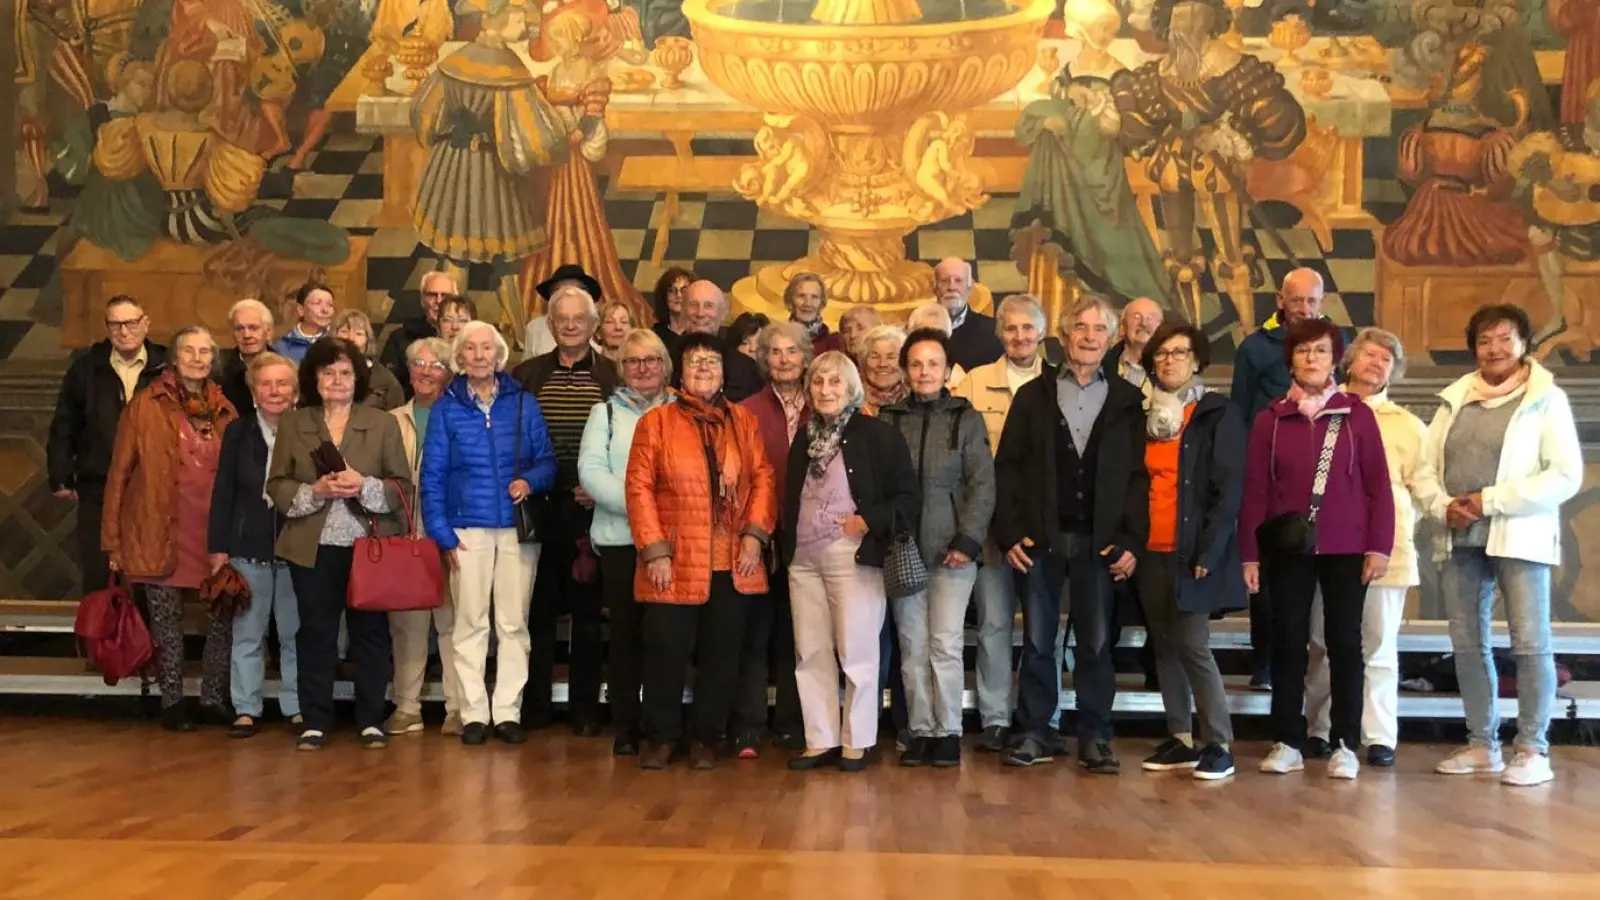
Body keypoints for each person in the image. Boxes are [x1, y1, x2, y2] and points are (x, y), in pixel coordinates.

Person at [1414, 305, 1582, 787]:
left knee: (1530, 645)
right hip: (1461, 537)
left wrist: (1491, 501)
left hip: (1521, 537)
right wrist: (1441, 504)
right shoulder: (1454, 398)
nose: (1494, 349)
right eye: (1485, 341)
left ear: (1524, 343)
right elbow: (1425, 469)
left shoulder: (1546, 399)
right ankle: (1481, 745)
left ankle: (1531, 748)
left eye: (1504, 339)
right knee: (1467, 646)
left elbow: (1564, 475)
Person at [993, 296, 1147, 772]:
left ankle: (1095, 736)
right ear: (1062, 335)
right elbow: (1008, 470)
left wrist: (1131, 542)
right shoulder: (1033, 396)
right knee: (1039, 641)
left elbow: (1138, 478)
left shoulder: (1126, 400)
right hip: (1042, 540)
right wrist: (1011, 532)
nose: (1088, 336)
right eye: (1079, 327)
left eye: (1098, 329)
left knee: (1098, 644)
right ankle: (1036, 731)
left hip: (1101, 544)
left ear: (1110, 337)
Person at [1239, 319, 1395, 781]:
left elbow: (1377, 487)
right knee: (1287, 642)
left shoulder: (1356, 415)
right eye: (1303, 350)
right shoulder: (1270, 418)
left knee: (1345, 643)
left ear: (1335, 360)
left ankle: (1345, 742)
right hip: (1288, 549)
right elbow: (1255, 492)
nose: (1312, 359)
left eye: (1321, 351)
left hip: (1348, 546)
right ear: (1291, 359)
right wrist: (1250, 554)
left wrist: (1379, 546)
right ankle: (1287, 739)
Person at [625, 332, 778, 770]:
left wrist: (754, 535)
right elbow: (638, 488)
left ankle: (706, 738)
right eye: (696, 363)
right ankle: (660, 736)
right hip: (673, 559)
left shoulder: (743, 422)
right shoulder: (655, 423)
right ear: (680, 373)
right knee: (665, 653)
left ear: (724, 371)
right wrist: (654, 550)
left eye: (712, 362)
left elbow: (764, 479)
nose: (705, 370)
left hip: (732, 560)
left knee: (722, 655)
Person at [267, 338, 412, 751]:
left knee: (370, 634)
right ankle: (315, 719)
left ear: (358, 377)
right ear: (314, 377)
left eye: (345, 372)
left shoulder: (381, 423)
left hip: (369, 545)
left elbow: (402, 487)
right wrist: (314, 490)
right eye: (327, 372)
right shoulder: (295, 422)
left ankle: (370, 718)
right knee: (315, 632)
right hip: (311, 546)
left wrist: (361, 485)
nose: (336, 380)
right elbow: (276, 484)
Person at [783, 351, 919, 772]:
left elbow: (908, 497)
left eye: (835, 383)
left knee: (857, 652)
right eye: (819, 382)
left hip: (854, 557)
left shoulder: (878, 435)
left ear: (852, 389)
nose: (825, 390)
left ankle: (857, 741)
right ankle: (819, 738)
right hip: (803, 560)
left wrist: (868, 520)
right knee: (810, 651)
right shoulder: (803, 439)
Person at [423, 321, 558, 745]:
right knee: (469, 624)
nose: (479, 355)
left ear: (499, 355)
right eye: (471, 349)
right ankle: (474, 713)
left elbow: (548, 462)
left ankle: (507, 713)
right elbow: (432, 476)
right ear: (459, 357)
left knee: (514, 624)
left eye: (487, 348)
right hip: (467, 529)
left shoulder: (523, 404)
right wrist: (443, 534)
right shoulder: (446, 408)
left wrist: (530, 482)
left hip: (516, 530)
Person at [1112, 0, 1306, 295]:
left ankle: (1243, 314)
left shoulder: (1233, 67)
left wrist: (1229, 136)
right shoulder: (1157, 72)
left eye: (1194, 18)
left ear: (1211, 20)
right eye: (1179, 19)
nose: (1185, 27)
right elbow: (1138, 125)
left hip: (1217, 167)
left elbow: (1276, 120)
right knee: (1180, 255)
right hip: (1172, 165)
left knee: (1230, 253)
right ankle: (1184, 316)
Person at [104, 325, 238, 732]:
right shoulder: (145, 405)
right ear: (174, 358)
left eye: (204, 352)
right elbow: (119, 474)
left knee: (222, 618)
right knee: (167, 622)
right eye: (189, 351)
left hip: (213, 532)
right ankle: (172, 701)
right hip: (158, 527)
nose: (197, 358)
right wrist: (112, 539)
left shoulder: (225, 408)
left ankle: (214, 698)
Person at [1305, 328, 1427, 769]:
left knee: (1377, 646)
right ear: (1349, 362)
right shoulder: (1323, 411)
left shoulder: (1407, 426)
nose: (1377, 364)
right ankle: (1318, 729)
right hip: (1330, 546)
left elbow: (1426, 485)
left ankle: (1377, 736)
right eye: (1370, 355)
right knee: (1322, 643)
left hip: (1385, 550)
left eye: (1387, 360)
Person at [412, 0, 567, 330]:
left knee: (456, 256)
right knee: (505, 263)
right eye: (518, 19)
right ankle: (521, 336)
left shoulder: (456, 60)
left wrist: (449, 132)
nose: (525, 27)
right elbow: (537, 137)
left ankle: (450, 333)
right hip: (493, 175)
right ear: (499, 19)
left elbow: (424, 114)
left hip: (452, 168)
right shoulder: (507, 69)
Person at [1134, 323, 1245, 780]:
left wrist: (1209, 549)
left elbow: (1227, 489)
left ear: (1196, 360)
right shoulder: (1138, 413)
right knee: (1163, 644)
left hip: (1192, 551)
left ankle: (1218, 741)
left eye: (1179, 352)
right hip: (1148, 549)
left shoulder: (1216, 412)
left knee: (1194, 645)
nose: (1169, 360)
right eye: (1161, 354)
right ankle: (1180, 737)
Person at [881, 330, 993, 768]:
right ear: (905, 370)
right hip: (903, 549)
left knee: (944, 644)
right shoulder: (888, 419)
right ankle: (921, 730)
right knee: (911, 646)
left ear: (948, 371)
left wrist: (967, 539)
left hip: (952, 551)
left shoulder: (966, 418)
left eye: (933, 364)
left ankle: (948, 731)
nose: (925, 372)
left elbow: (983, 483)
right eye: (916, 363)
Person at [952, 294, 1059, 751]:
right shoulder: (975, 384)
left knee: (1043, 629)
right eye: (1011, 328)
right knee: (994, 624)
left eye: (1027, 328)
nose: (1019, 336)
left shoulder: (1060, 384)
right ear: (1000, 334)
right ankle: (995, 717)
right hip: (992, 530)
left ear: (1041, 332)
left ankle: (1044, 716)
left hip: (1043, 530)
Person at [512, 286, 619, 733]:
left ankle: (584, 712)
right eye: (563, 319)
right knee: (536, 611)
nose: (571, 325)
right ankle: (534, 708)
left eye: (580, 319)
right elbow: (514, 439)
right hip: (539, 508)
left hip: (591, 511)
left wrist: (598, 488)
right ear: (551, 325)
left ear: (595, 327)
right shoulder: (527, 374)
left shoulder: (613, 375)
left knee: (588, 616)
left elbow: (623, 443)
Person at [1230, 266, 1331, 690]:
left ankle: (1313, 667)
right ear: (1280, 300)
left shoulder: (1331, 347)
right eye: (1297, 300)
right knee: (1267, 580)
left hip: (1323, 482)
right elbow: (1238, 412)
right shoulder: (1254, 349)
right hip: (1270, 479)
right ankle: (1265, 664)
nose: (1304, 308)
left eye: (1312, 301)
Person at [578, 328, 676, 756]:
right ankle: (626, 726)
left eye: (652, 360)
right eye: (634, 361)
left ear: (665, 366)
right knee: (626, 636)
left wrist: (659, 518)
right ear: (621, 368)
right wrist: (643, 510)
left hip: (673, 546)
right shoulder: (606, 414)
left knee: (666, 637)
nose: (643, 368)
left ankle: (662, 725)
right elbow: (592, 473)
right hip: (620, 542)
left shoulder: (683, 412)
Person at [519, 10, 647, 323]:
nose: (556, 44)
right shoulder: (556, 70)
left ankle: (584, 279)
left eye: (560, 38)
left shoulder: (591, 72)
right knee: (549, 219)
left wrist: (564, 142)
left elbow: (591, 122)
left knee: (577, 217)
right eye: (554, 39)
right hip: (553, 162)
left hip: (571, 160)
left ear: (574, 39)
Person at [1013, 63, 1174, 311]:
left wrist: (1083, 114)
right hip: (1077, 172)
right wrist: (1058, 114)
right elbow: (1053, 99)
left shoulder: (1113, 85)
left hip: (1103, 173)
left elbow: (1107, 132)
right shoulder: (1074, 83)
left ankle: (1118, 299)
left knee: (1113, 243)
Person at [208, 352, 301, 739]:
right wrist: (218, 549)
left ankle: (297, 705)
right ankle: (246, 707)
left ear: (295, 392)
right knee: (248, 633)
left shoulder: (309, 430)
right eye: (266, 384)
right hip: (247, 547)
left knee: (296, 633)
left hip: (297, 547)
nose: (274, 391)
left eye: (282, 384)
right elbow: (222, 493)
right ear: (253, 391)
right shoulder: (238, 432)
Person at [48, 295, 168, 593]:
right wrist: (61, 475)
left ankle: (144, 641)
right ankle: (100, 641)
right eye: (115, 324)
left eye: (131, 323)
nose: (123, 331)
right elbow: (65, 424)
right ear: (106, 327)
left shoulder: (167, 366)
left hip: (153, 489)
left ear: (145, 323)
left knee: (147, 580)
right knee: (99, 577)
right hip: (98, 487)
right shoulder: (85, 369)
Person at [733, 321, 814, 755]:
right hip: (758, 535)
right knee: (754, 632)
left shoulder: (821, 403)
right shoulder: (744, 409)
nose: (784, 360)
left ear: (805, 356)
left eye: (792, 352)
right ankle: (748, 724)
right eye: (776, 353)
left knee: (797, 634)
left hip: (807, 537)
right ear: (765, 359)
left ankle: (790, 722)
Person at [1381, 42, 1529, 268]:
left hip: (1425, 216)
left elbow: (1411, 173)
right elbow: (1500, 187)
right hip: (1472, 211)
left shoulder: (1422, 130)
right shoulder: (1492, 137)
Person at [385, 337, 463, 738]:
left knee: (453, 625)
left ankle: (457, 708)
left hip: (451, 533)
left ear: (449, 373)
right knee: (407, 627)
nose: (426, 371)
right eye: (419, 363)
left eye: (436, 365)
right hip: (405, 535)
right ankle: (407, 707)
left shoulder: (460, 415)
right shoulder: (392, 419)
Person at [674, 280, 763, 402]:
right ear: (683, 311)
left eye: (708, 306)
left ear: (723, 313)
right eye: (693, 305)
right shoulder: (664, 360)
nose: (700, 313)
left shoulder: (746, 369)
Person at [379, 270, 458, 399]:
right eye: (431, 295)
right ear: (422, 299)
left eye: (445, 295)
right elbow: (387, 387)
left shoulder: (468, 339)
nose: (438, 301)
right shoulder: (399, 338)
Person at [932, 258, 1003, 373]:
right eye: (944, 280)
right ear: (934, 288)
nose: (951, 287)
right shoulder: (918, 328)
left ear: (969, 289)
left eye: (958, 281)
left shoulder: (994, 331)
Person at [523, 265, 607, 358]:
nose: (566, 296)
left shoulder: (601, 326)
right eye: (560, 291)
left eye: (573, 291)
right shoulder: (535, 328)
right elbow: (527, 368)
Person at [331, 310, 406, 411]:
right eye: (344, 331)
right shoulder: (320, 372)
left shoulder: (385, 379)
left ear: (368, 341)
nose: (350, 338)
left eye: (358, 333)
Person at [219, 299, 274, 417]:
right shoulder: (218, 369)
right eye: (239, 329)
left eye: (253, 328)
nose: (246, 335)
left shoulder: (286, 368)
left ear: (268, 332)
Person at [1106, 298, 1163, 391]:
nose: (1144, 323)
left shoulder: (1168, 369)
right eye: (1136, 317)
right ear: (1122, 327)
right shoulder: (1102, 365)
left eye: (1151, 318)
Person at [273, 282, 336, 365]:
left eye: (330, 305)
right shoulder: (282, 346)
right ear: (300, 310)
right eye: (317, 303)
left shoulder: (336, 343)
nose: (325, 310)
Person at [784, 273, 842, 354]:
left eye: (814, 297)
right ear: (790, 300)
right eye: (801, 296)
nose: (808, 303)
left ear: (822, 302)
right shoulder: (776, 339)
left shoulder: (835, 344)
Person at [858, 325, 909, 416]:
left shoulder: (915, 400)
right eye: (875, 357)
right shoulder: (850, 401)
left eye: (891, 357)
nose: (882, 364)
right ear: (864, 361)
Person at [650, 267, 695, 346]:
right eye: (671, 290)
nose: (678, 295)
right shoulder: (653, 336)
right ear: (664, 295)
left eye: (684, 290)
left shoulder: (699, 333)